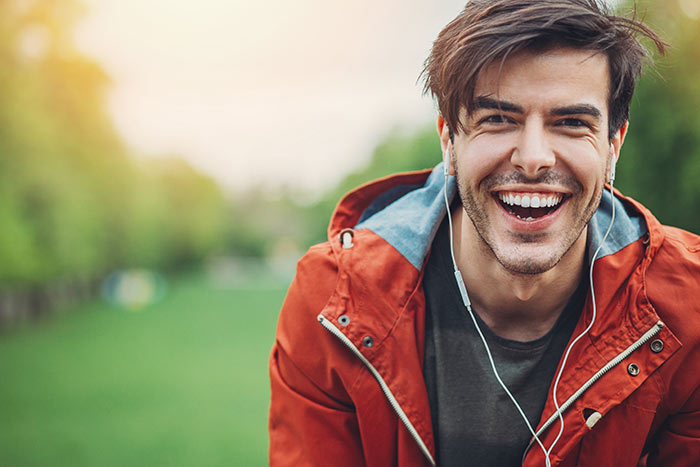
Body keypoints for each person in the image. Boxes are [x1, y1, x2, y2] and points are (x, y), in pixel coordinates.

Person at [269, 1, 700, 465]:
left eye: (572, 123)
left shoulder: (689, 305)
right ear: (449, 141)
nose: (534, 158)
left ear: (614, 145)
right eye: (498, 119)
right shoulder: (333, 301)